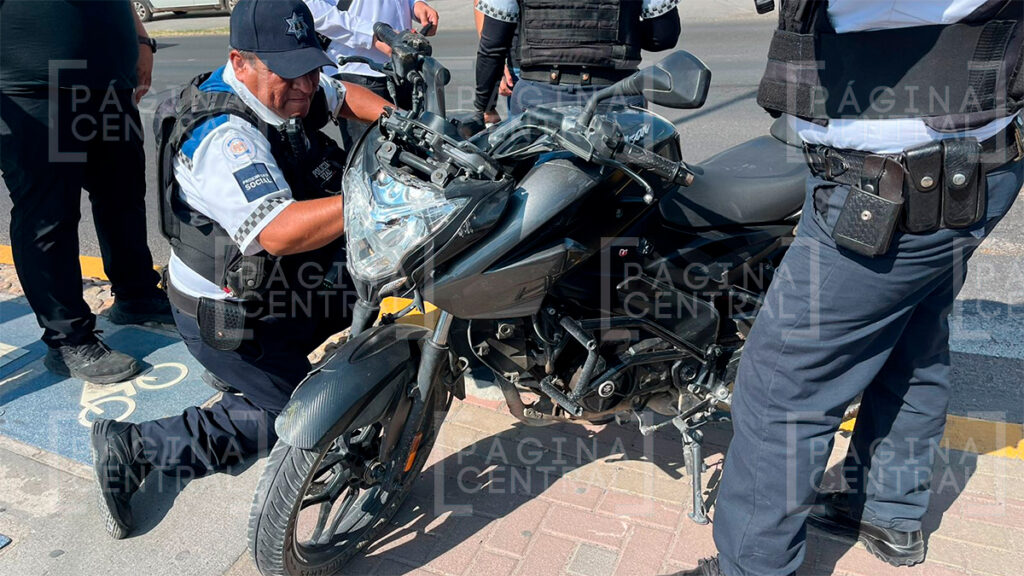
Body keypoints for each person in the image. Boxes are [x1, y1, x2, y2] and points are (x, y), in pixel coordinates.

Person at [676, 1, 1024, 575]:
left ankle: (752, 567)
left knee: (781, 386)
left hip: (889, 190)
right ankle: (888, 511)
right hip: (967, 169)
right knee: (913, 342)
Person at [89, 0, 391, 539]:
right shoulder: (224, 138)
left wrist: (403, 123)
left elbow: (344, 97)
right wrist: (376, 197)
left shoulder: (283, 84)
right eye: (290, 73)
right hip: (226, 317)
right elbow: (278, 230)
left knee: (368, 281)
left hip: (271, 287)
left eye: (311, 67)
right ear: (240, 61)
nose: (305, 86)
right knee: (292, 420)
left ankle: (261, 378)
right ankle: (133, 447)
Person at [0, 0, 173, 384]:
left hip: (108, 79)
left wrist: (142, 41)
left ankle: (136, 294)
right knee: (49, 214)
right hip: (34, 85)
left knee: (123, 194)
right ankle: (67, 338)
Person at [471, 0, 681, 122]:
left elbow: (492, 45)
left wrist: (485, 108)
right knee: (628, 190)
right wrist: (624, 33)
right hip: (615, 94)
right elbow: (664, 36)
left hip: (537, 97)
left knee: (532, 190)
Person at [304, 0, 439, 150]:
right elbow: (312, 9)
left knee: (417, 155)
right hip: (357, 71)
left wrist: (415, 4)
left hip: (402, 66)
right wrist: (372, 35)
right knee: (373, 161)